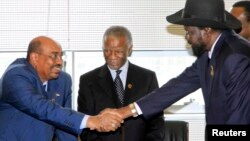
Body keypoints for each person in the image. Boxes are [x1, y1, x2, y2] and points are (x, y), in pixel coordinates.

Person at [115, 0, 250, 128]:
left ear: (207, 30)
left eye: (189, 32)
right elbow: (178, 86)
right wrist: (125, 111)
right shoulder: (208, 53)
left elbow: (238, 122)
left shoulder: (236, 57)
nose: (187, 38)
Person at [0, 36, 123, 141]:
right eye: (54, 56)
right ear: (34, 58)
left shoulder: (63, 80)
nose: (60, 62)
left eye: (61, 56)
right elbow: (42, 108)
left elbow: (64, 126)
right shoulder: (15, 76)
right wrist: (91, 120)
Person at [77, 26, 165, 141]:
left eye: (118, 51)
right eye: (107, 51)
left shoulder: (147, 78)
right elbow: (85, 125)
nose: (112, 56)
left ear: (129, 49)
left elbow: (156, 123)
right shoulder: (88, 81)